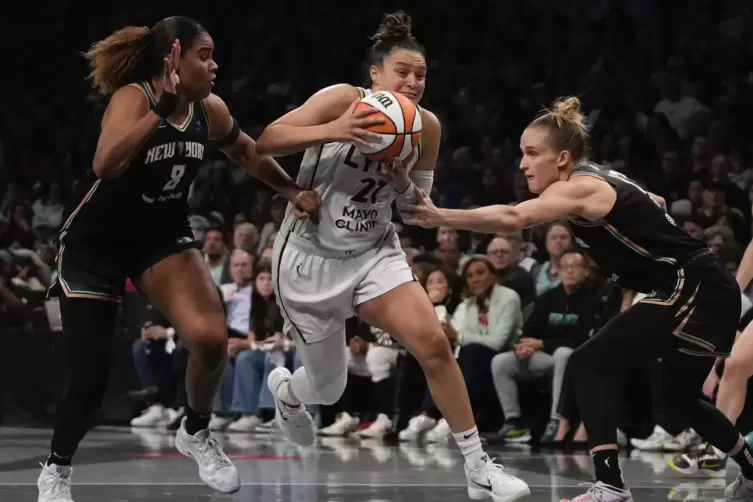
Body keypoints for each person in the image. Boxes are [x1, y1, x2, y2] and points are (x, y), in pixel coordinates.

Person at [401, 96, 753, 502]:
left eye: (533, 154)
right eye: (521, 154)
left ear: (563, 158)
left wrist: (441, 216)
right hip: (704, 288)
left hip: (692, 286)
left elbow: (514, 218)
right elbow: (651, 199)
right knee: (681, 398)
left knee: (588, 362)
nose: (522, 164)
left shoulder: (581, 187)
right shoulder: (598, 179)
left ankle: (610, 485)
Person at [37, 16, 320, 502]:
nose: (214, 65)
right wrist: (164, 107)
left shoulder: (209, 109)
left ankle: (195, 430)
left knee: (211, 339)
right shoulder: (135, 98)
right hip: (95, 246)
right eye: (204, 55)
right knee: (90, 380)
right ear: (172, 58)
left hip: (159, 237)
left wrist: (292, 189)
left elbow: (248, 154)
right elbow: (106, 164)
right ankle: (57, 470)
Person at [255, 10, 529, 502]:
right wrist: (335, 129)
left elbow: (412, 210)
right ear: (376, 75)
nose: (413, 81)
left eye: (421, 74)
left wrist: (400, 175)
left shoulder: (427, 128)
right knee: (328, 389)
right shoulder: (344, 100)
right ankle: (288, 395)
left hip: (374, 252)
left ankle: (478, 466)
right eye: (403, 71)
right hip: (309, 256)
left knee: (433, 343)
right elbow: (267, 141)